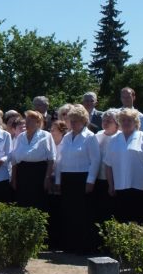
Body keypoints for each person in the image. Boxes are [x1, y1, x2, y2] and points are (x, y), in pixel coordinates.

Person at [55, 105, 100, 252]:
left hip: (83, 178)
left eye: (75, 121)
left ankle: (83, 246)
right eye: (70, 120)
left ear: (83, 121)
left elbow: (95, 160)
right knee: (68, 212)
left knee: (82, 214)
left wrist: (90, 181)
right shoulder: (67, 137)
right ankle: (69, 245)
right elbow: (60, 160)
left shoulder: (90, 137)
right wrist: (58, 181)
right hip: (67, 178)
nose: (72, 123)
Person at [104, 108, 143, 223]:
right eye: (123, 120)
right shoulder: (113, 140)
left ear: (135, 122)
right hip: (120, 186)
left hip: (140, 187)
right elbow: (108, 165)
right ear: (119, 122)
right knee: (122, 220)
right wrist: (110, 185)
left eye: (129, 120)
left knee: (139, 220)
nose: (126, 123)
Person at [11, 110, 56, 212]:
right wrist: (14, 178)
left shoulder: (45, 135)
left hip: (39, 173)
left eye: (30, 121)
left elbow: (51, 159)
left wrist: (47, 178)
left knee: (38, 203)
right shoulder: (20, 137)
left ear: (37, 123)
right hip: (22, 173)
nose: (27, 124)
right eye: (26, 121)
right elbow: (14, 160)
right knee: (23, 203)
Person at [93, 109, 120, 228]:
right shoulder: (97, 135)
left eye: (109, 120)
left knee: (113, 211)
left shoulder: (120, 137)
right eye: (104, 120)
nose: (105, 122)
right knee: (99, 211)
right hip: (99, 178)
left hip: (116, 180)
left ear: (117, 123)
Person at [47, 120, 68, 250]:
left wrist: (58, 181)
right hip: (50, 180)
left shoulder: (65, 145)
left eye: (54, 129)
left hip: (61, 182)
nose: (51, 132)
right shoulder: (49, 144)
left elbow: (62, 165)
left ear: (61, 131)